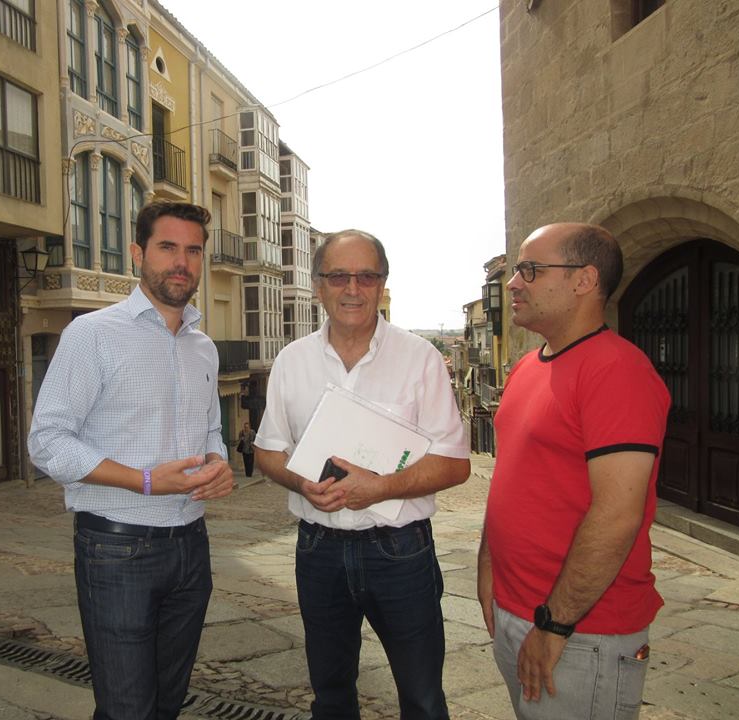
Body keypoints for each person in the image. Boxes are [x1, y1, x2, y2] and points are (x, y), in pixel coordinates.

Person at [28, 200, 234, 720]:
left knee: (166, 706)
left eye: (193, 250)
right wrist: (142, 480)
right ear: (138, 254)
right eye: (168, 247)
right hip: (116, 550)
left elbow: (211, 428)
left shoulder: (203, 347)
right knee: (127, 709)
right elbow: (47, 441)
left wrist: (218, 463)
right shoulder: (91, 334)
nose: (181, 262)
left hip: (192, 547)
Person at [254, 229, 470, 720]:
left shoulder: (420, 358)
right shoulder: (291, 361)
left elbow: (456, 463)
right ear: (318, 286)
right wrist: (300, 483)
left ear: (382, 284)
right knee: (330, 698)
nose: (352, 288)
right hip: (319, 550)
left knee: (423, 699)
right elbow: (268, 451)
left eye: (366, 276)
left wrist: (380, 487)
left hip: (400, 551)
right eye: (338, 277)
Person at [477, 223, 670, 720]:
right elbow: (513, 480)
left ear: (584, 280)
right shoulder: (527, 367)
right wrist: (488, 570)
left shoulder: (618, 372)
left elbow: (617, 516)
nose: (513, 283)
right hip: (517, 610)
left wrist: (555, 625)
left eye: (530, 270)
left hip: (581, 632)